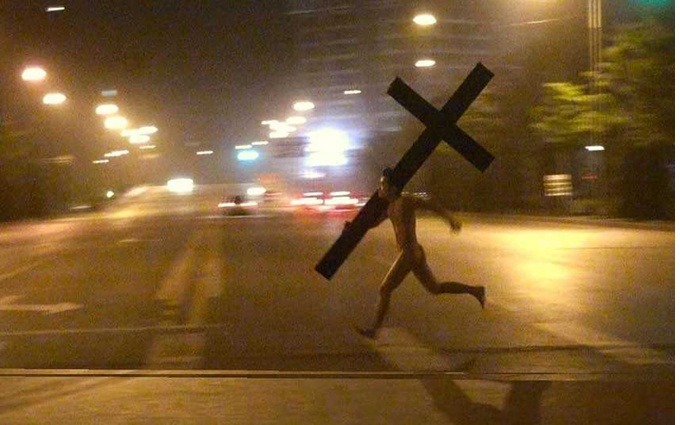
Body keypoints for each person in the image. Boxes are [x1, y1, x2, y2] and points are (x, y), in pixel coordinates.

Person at [354, 167, 485, 339]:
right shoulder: (390, 207)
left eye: (383, 184)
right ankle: (476, 290)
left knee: (385, 289)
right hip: (414, 254)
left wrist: (450, 219)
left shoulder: (405, 201)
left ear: (393, 188)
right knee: (435, 288)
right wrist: (353, 227)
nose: (380, 187)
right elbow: (373, 223)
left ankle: (374, 330)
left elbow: (429, 204)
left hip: (409, 253)